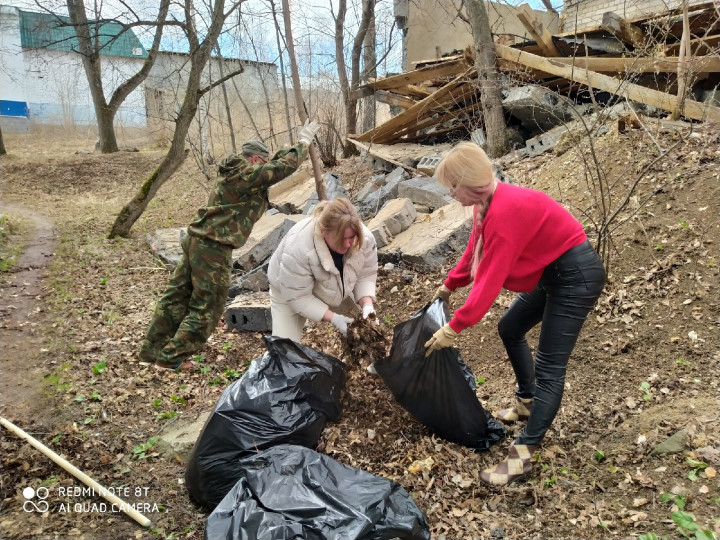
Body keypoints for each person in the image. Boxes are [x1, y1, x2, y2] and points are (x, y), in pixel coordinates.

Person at [424, 141, 606, 486]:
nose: (450, 194)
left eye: (452, 186)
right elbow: (473, 251)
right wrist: (449, 285)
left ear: (470, 182)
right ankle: (526, 400)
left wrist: (455, 327)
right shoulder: (485, 203)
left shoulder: (504, 211)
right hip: (552, 272)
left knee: (550, 368)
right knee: (510, 327)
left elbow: (489, 280)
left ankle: (523, 455)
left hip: (574, 277)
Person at [139, 120, 320, 371]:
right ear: (255, 159)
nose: (264, 168)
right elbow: (276, 170)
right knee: (209, 306)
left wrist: (288, 150)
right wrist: (302, 144)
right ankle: (170, 358)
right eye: (263, 162)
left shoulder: (238, 172)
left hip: (198, 241)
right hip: (213, 248)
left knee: (176, 297)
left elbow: (270, 169)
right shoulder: (245, 173)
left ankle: (153, 350)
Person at [267, 197, 378, 345]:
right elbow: (298, 297)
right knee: (285, 351)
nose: (347, 243)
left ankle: (376, 366)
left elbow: (366, 274)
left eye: (351, 237)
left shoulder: (364, 239)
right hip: (290, 290)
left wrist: (367, 304)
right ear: (323, 231)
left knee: (368, 328)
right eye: (341, 239)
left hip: (336, 285)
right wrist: (334, 318)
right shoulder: (298, 248)